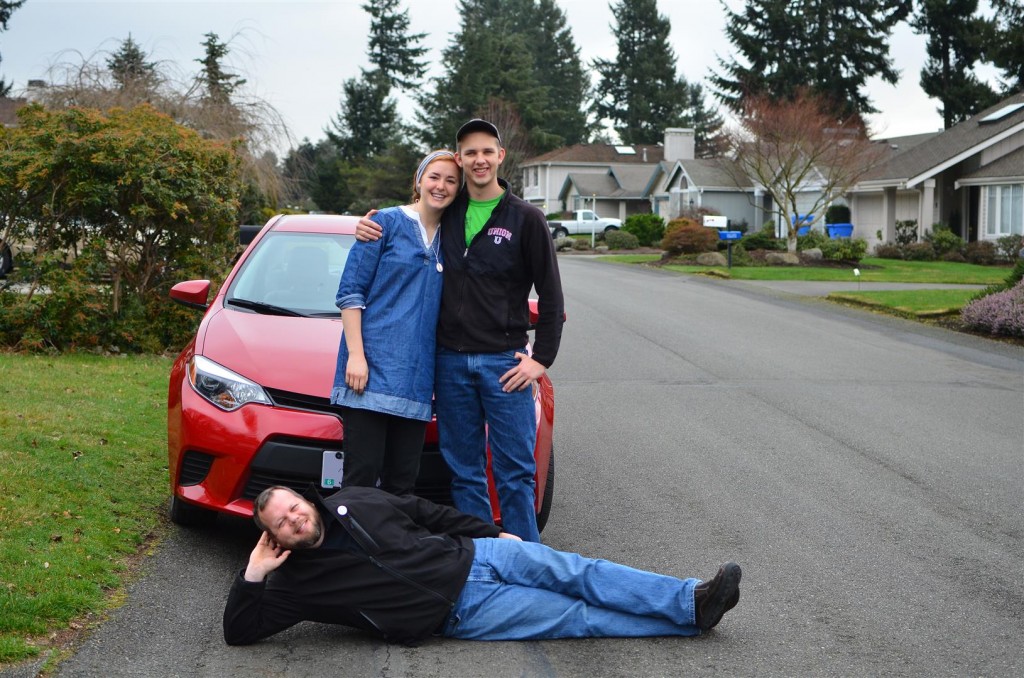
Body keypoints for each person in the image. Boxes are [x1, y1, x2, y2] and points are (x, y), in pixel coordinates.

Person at [356, 119, 565, 542]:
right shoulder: (447, 213)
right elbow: (408, 221)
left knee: (514, 473)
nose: (479, 159)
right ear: (460, 159)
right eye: (470, 152)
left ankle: (529, 565)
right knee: (465, 472)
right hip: (449, 361)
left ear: (500, 156)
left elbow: (552, 297)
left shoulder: (526, 219)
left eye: (487, 151)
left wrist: (540, 360)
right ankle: (480, 562)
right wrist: (368, 225)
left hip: (503, 363)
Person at [223, 485, 742, 646]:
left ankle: (688, 599)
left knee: (579, 572)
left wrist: (492, 531)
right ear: (273, 536)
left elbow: (428, 512)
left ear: (307, 502)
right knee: (576, 617)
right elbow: (239, 633)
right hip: (461, 611)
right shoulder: (294, 584)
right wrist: (253, 574)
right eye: (281, 523)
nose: (294, 521)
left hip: (478, 554)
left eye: (295, 509)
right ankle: (688, 623)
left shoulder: (353, 500)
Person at [331, 150, 461, 495]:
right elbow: (350, 294)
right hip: (369, 374)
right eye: (434, 176)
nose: (441, 185)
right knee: (360, 479)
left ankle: (390, 549)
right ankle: (353, 548)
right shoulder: (383, 224)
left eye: (451, 180)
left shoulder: (456, 237)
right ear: (418, 181)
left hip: (416, 380)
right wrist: (356, 356)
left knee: (402, 484)